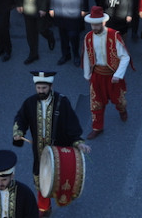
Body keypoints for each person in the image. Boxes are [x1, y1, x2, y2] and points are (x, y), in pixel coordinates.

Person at [12, 71, 91, 216]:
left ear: (51, 86)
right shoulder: (29, 103)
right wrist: (18, 131)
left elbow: (71, 123)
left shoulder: (62, 102)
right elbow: (21, 118)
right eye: (38, 88)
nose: (41, 91)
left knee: (60, 177)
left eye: (44, 88)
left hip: (59, 149)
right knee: (41, 178)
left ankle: (62, 197)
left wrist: (78, 142)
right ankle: (44, 208)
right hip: (39, 150)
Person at [83, 6, 131, 139]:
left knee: (118, 99)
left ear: (103, 22)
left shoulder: (113, 35)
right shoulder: (88, 37)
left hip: (112, 75)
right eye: (92, 24)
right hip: (97, 75)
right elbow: (87, 56)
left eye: (97, 24)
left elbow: (125, 57)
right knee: (96, 102)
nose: (94, 27)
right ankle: (97, 127)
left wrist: (118, 75)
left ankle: (122, 110)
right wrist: (87, 74)